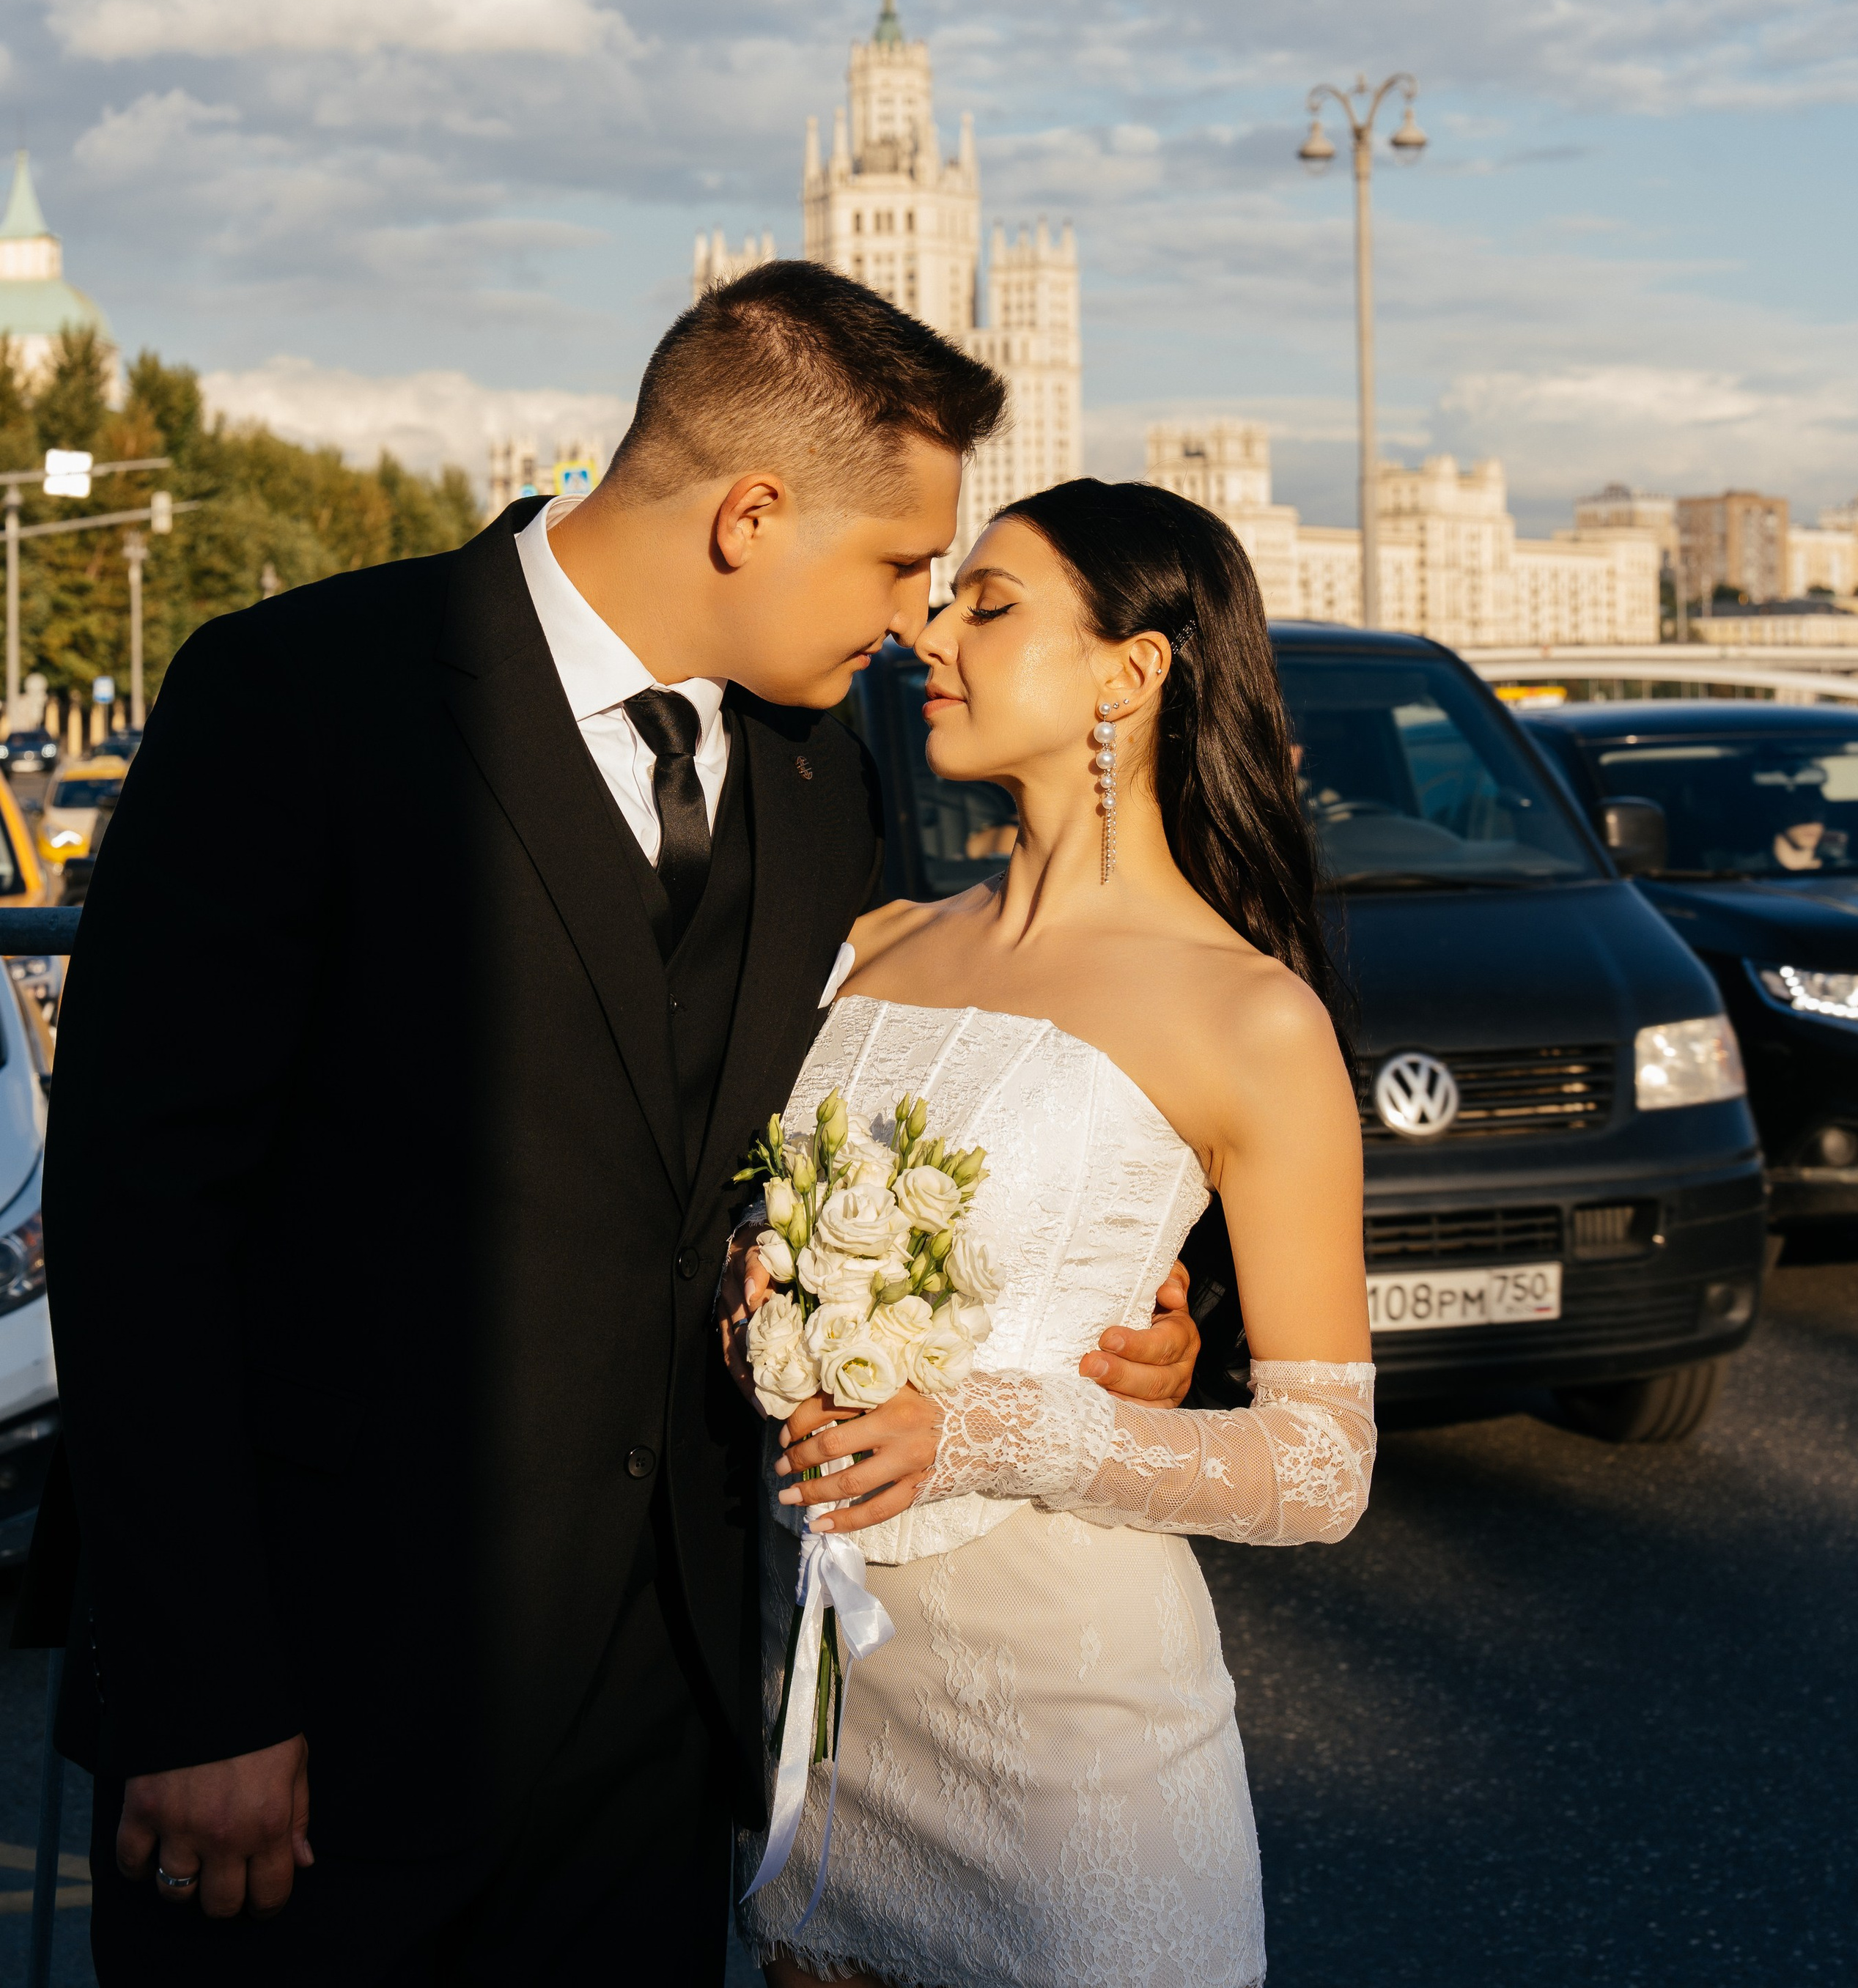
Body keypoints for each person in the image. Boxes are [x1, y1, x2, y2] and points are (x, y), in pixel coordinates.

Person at [36, 264, 1202, 1987]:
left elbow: (843, 1138)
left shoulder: (826, 781)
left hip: (655, 1747)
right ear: (749, 514)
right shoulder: (301, 698)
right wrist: (200, 1693)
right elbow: (142, 1220)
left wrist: (1105, 1323)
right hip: (306, 1731)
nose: (908, 622)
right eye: (895, 564)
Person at [731, 478, 1375, 1988]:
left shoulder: (1246, 1015)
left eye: (986, 605)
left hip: (1075, 1770)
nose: (927, 636)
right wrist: (741, 1282)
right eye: (940, 598)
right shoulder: (872, 943)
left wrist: (995, 1430)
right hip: (822, 1725)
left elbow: (1321, 1467)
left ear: (1128, 672)